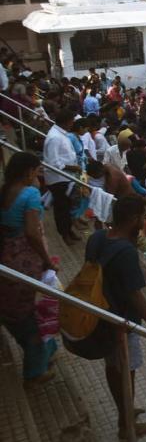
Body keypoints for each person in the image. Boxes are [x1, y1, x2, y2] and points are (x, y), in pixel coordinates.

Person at [88, 196, 146, 438]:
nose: (145, 220)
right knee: (127, 372)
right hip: (121, 322)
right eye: (143, 216)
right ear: (132, 219)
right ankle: (126, 425)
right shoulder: (126, 252)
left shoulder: (97, 238)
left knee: (113, 368)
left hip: (101, 315)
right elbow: (135, 294)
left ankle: (124, 410)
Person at [0, 152, 55, 380]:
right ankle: (35, 367)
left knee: (18, 310)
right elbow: (32, 232)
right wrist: (46, 259)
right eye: (36, 170)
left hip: (7, 256)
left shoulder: (5, 192)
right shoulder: (30, 194)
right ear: (27, 171)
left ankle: (43, 353)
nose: (39, 174)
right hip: (23, 260)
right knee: (27, 315)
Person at [44, 107, 81, 242]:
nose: (73, 124)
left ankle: (68, 230)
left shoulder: (61, 133)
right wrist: (73, 167)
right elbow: (53, 163)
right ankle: (64, 234)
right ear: (66, 122)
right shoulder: (54, 137)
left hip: (65, 177)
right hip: (58, 179)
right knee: (62, 208)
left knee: (67, 206)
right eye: (71, 122)